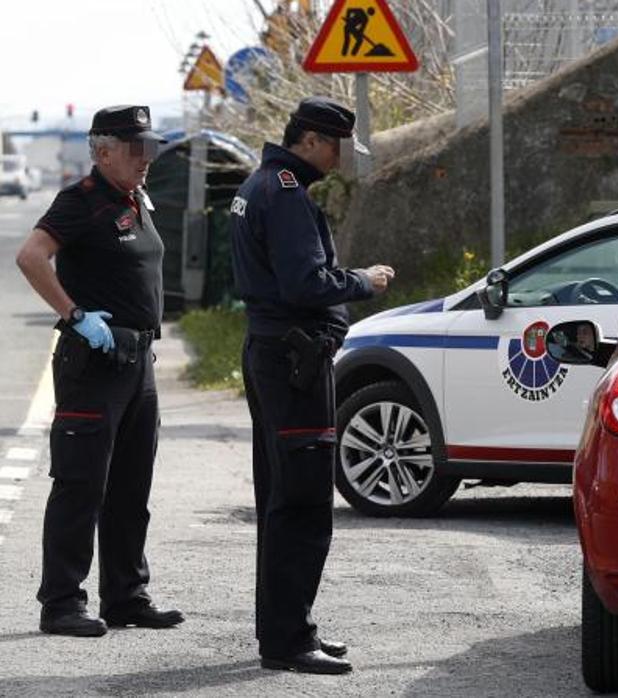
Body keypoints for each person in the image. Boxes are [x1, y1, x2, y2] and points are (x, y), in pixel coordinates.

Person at [230, 96, 394, 675]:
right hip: (293, 360)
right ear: (311, 141)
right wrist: (364, 282)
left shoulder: (259, 184)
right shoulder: (286, 193)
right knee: (300, 504)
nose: (340, 157)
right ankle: (289, 641)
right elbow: (305, 283)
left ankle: (285, 630)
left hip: (271, 354)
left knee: (281, 499)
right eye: (336, 145)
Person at [15, 105, 183, 637]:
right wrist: (75, 314)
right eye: (136, 150)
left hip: (139, 362)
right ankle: (62, 603)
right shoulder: (81, 201)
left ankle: (126, 596)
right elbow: (31, 256)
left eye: (150, 149)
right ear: (102, 150)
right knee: (81, 484)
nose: (146, 160)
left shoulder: (135, 199)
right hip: (95, 363)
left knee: (132, 487)